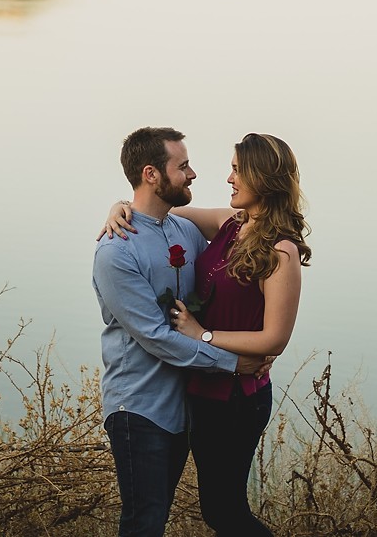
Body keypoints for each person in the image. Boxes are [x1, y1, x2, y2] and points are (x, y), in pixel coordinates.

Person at [101, 132, 310, 537]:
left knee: (224, 512)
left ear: (263, 178)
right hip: (203, 392)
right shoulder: (231, 224)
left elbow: (275, 340)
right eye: (232, 170)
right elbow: (161, 207)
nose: (229, 178)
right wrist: (120, 206)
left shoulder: (280, 250)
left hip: (238, 396)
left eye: (237, 170)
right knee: (214, 509)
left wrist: (204, 335)